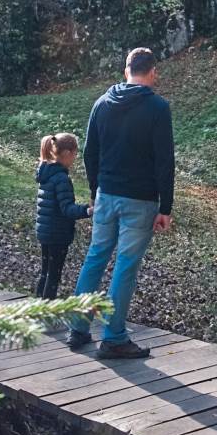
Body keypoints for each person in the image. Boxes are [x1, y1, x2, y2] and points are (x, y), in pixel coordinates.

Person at [68, 47, 174, 359]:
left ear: (126, 70)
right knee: (125, 266)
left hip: (106, 194)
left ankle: (78, 327)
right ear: (152, 72)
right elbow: (164, 162)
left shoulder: (102, 103)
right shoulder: (157, 108)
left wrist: (96, 191)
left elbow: (90, 153)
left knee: (96, 256)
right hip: (139, 200)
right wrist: (165, 207)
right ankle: (113, 337)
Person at [33, 132, 90, 298]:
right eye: (75, 154)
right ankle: (47, 312)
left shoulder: (45, 172)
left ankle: (37, 308)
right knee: (54, 274)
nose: (75, 158)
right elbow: (67, 209)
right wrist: (88, 210)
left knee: (46, 272)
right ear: (67, 153)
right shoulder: (61, 178)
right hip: (57, 233)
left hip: (45, 231)